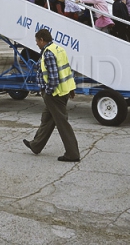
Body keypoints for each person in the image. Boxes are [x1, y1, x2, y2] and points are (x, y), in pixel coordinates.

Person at [23, 29, 80, 162]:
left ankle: (72, 154)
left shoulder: (48, 54)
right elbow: (67, 71)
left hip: (55, 93)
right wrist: (71, 88)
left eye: (37, 41)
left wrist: (47, 93)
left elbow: (54, 78)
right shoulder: (59, 49)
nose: (36, 44)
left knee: (62, 123)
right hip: (63, 91)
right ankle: (36, 145)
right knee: (47, 119)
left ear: (42, 40)